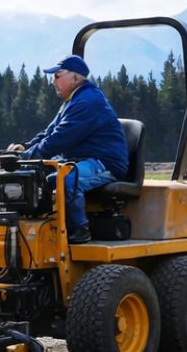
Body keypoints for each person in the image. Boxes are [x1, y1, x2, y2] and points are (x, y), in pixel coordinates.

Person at [7, 54, 128, 244]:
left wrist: (25, 156)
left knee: (65, 179)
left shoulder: (88, 102)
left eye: (57, 76)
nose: (53, 81)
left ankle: (79, 230)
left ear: (75, 77)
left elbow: (60, 139)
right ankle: (36, 230)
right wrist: (26, 148)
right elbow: (49, 132)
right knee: (37, 176)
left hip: (104, 162)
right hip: (81, 159)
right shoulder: (71, 101)